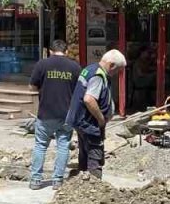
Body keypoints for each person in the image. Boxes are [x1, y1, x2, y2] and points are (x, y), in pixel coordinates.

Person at [27, 39, 80, 190]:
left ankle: (36, 180)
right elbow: (80, 90)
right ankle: (57, 181)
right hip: (66, 115)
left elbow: (32, 87)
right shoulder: (74, 67)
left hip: (45, 113)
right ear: (67, 51)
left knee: (40, 146)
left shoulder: (42, 64)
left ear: (50, 51)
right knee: (63, 146)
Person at [65, 49, 126, 178]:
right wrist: (101, 119)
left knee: (84, 155)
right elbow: (89, 99)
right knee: (94, 157)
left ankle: (83, 184)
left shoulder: (90, 68)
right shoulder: (98, 75)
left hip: (80, 121)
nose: (117, 74)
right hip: (89, 123)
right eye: (118, 70)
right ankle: (94, 187)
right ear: (111, 65)